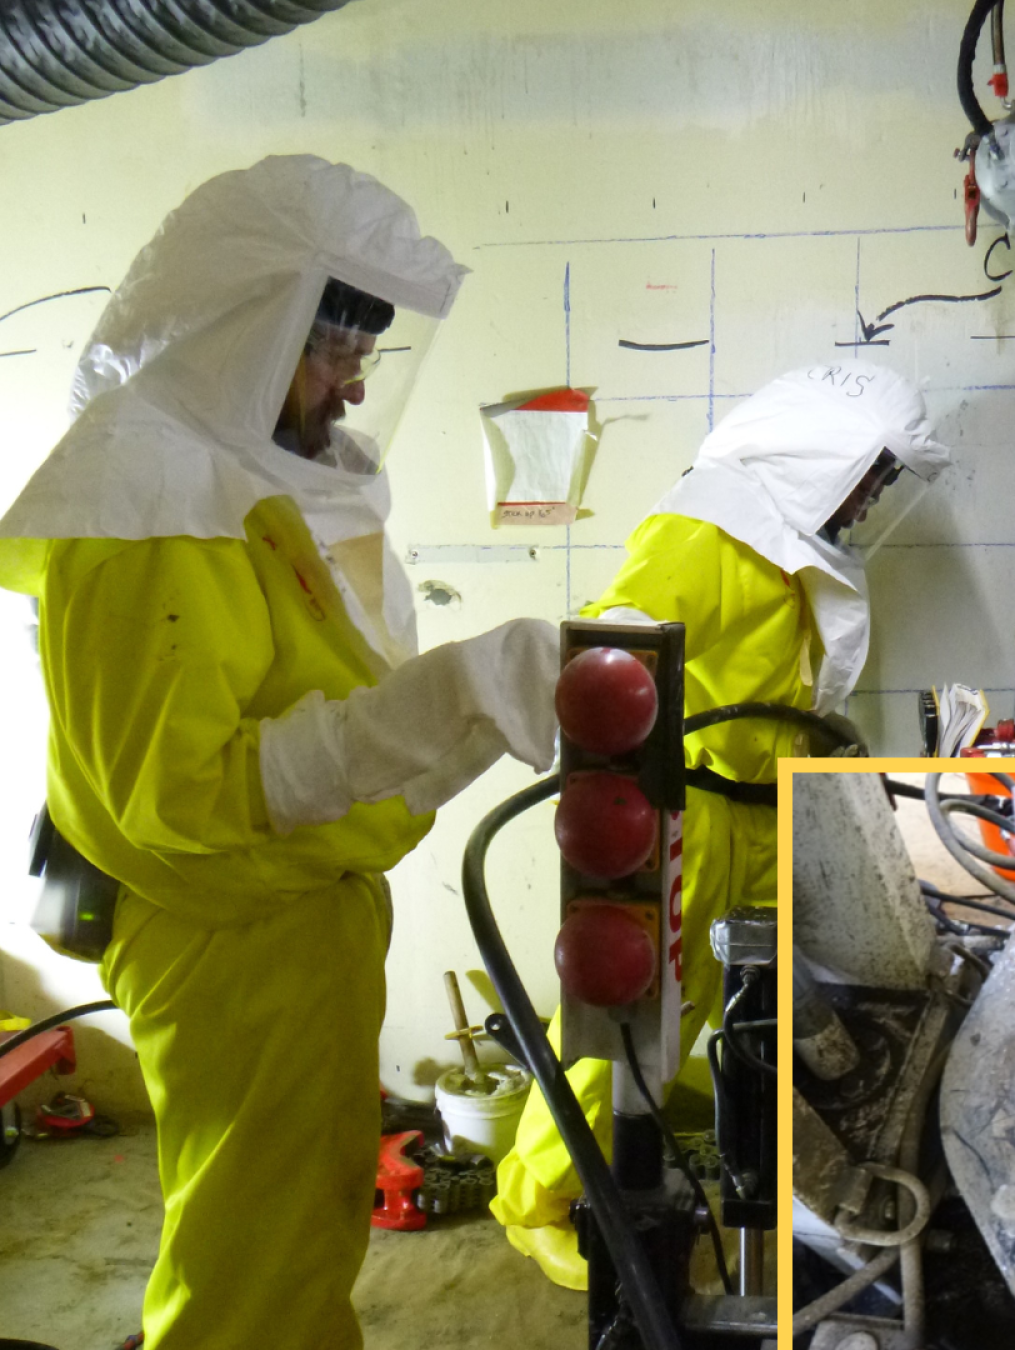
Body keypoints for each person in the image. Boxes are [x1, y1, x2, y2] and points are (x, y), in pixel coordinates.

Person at [0, 156, 559, 1350]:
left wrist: (455, 713)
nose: (353, 391)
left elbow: (322, 709)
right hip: (230, 945)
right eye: (332, 350)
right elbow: (185, 793)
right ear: (249, 330)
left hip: (292, 923)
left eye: (366, 350)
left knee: (294, 1241)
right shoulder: (150, 506)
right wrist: (453, 698)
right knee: (250, 1271)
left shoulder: (223, 487)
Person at [491, 360, 950, 1287]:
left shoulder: (790, 544)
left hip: (762, 810)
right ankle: (535, 1200)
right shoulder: (703, 529)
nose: (867, 502)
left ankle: (776, 1193)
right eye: (866, 479)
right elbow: (616, 639)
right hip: (689, 812)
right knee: (637, 1017)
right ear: (817, 457)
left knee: (783, 1003)